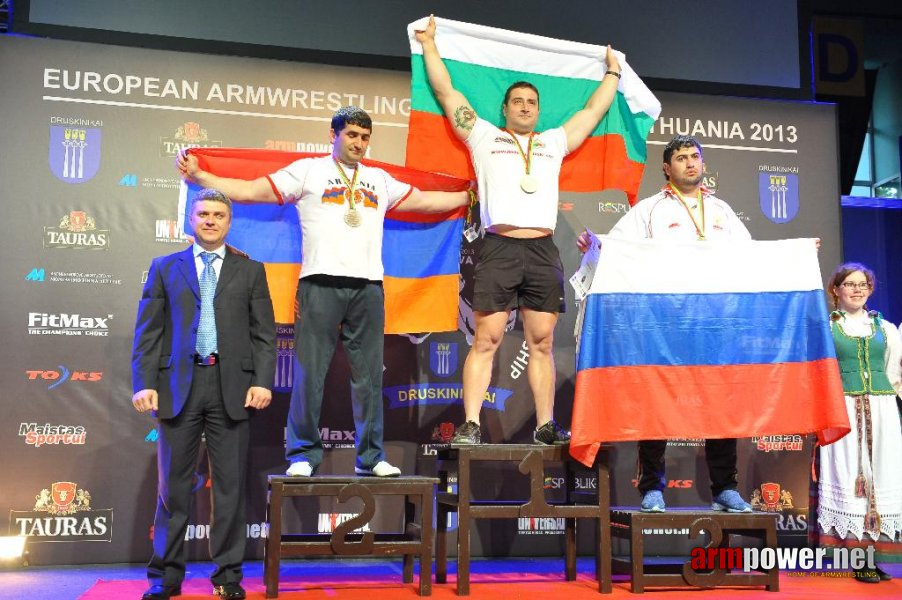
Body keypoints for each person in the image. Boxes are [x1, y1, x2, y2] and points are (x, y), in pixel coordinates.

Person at [178, 106, 470, 478]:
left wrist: (468, 197)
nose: (359, 143)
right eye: (351, 135)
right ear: (332, 136)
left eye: (365, 137)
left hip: (368, 287)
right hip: (318, 284)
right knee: (309, 374)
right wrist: (202, 174)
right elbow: (252, 191)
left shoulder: (379, 179)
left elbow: (426, 202)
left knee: (368, 377)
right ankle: (302, 454)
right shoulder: (308, 171)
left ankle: (371, 456)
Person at [415, 15, 621, 445]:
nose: (525, 107)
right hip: (498, 248)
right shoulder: (483, 137)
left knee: (542, 341)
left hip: (542, 251)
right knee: (487, 338)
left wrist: (613, 72)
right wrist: (430, 46)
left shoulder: (554, 142)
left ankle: (546, 425)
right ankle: (471, 424)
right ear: (505, 109)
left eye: (531, 102)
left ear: (538, 110)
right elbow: (446, 92)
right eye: (518, 102)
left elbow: (593, 111)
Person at [577, 135, 754, 513]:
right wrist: (594, 246)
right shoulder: (649, 210)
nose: (691, 163)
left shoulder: (722, 210)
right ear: (666, 167)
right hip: (663, 323)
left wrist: (796, 254)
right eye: (681, 158)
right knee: (654, 402)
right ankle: (652, 487)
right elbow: (615, 247)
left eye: (695, 157)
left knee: (719, 403)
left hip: (714, 323)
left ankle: (725, 487)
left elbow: (750, 256)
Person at [132, 189, 277, 600]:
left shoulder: (251, 272)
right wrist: (144, 382)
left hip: (232, 389)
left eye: (218, 215)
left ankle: (228, 578)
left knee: (229, 489)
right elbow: (149, 333)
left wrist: (262, 380)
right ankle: (165, 578)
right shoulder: (164, 268)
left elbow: (264, 335)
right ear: (190, 220)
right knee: (172, 489)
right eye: (203, 214)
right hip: (178, 387)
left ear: (229, 222)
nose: (210, 220)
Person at [817, 263, 901, 583]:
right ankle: (858, 557)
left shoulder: (886, 328)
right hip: (844, 411)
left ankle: (876, 555)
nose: (857, 289)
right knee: (851, 479)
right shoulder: (827, 328)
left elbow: (895, 372)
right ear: (835, 290)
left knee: (881, 478)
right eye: (849, 284)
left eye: (863, 284)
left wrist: (884, 400)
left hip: (881, 410)